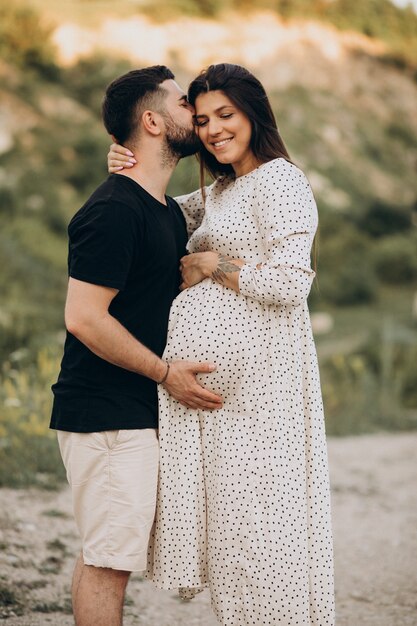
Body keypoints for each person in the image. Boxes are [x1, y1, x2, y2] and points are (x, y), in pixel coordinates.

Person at [109, 63, 335, 625]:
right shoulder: (221, 190)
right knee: (234, 542)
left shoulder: (282, 180)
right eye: (203, 119)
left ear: (253, 113)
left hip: (264, 399)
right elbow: (158, 209)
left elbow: (290, 283)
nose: (212, 130)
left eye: (225, 116)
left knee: (267, 539)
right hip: (223, 408)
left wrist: (216, 266)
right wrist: (123, 161)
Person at [50, 65, 223, 626]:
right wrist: (164, 371)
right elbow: (84, 319)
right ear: (151, 121)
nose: (193, 112)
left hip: (132, 411)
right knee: (109, 560)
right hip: (105, 414)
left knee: (109, 552)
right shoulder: (113, 210)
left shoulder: (165, 211)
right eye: (180, 103)